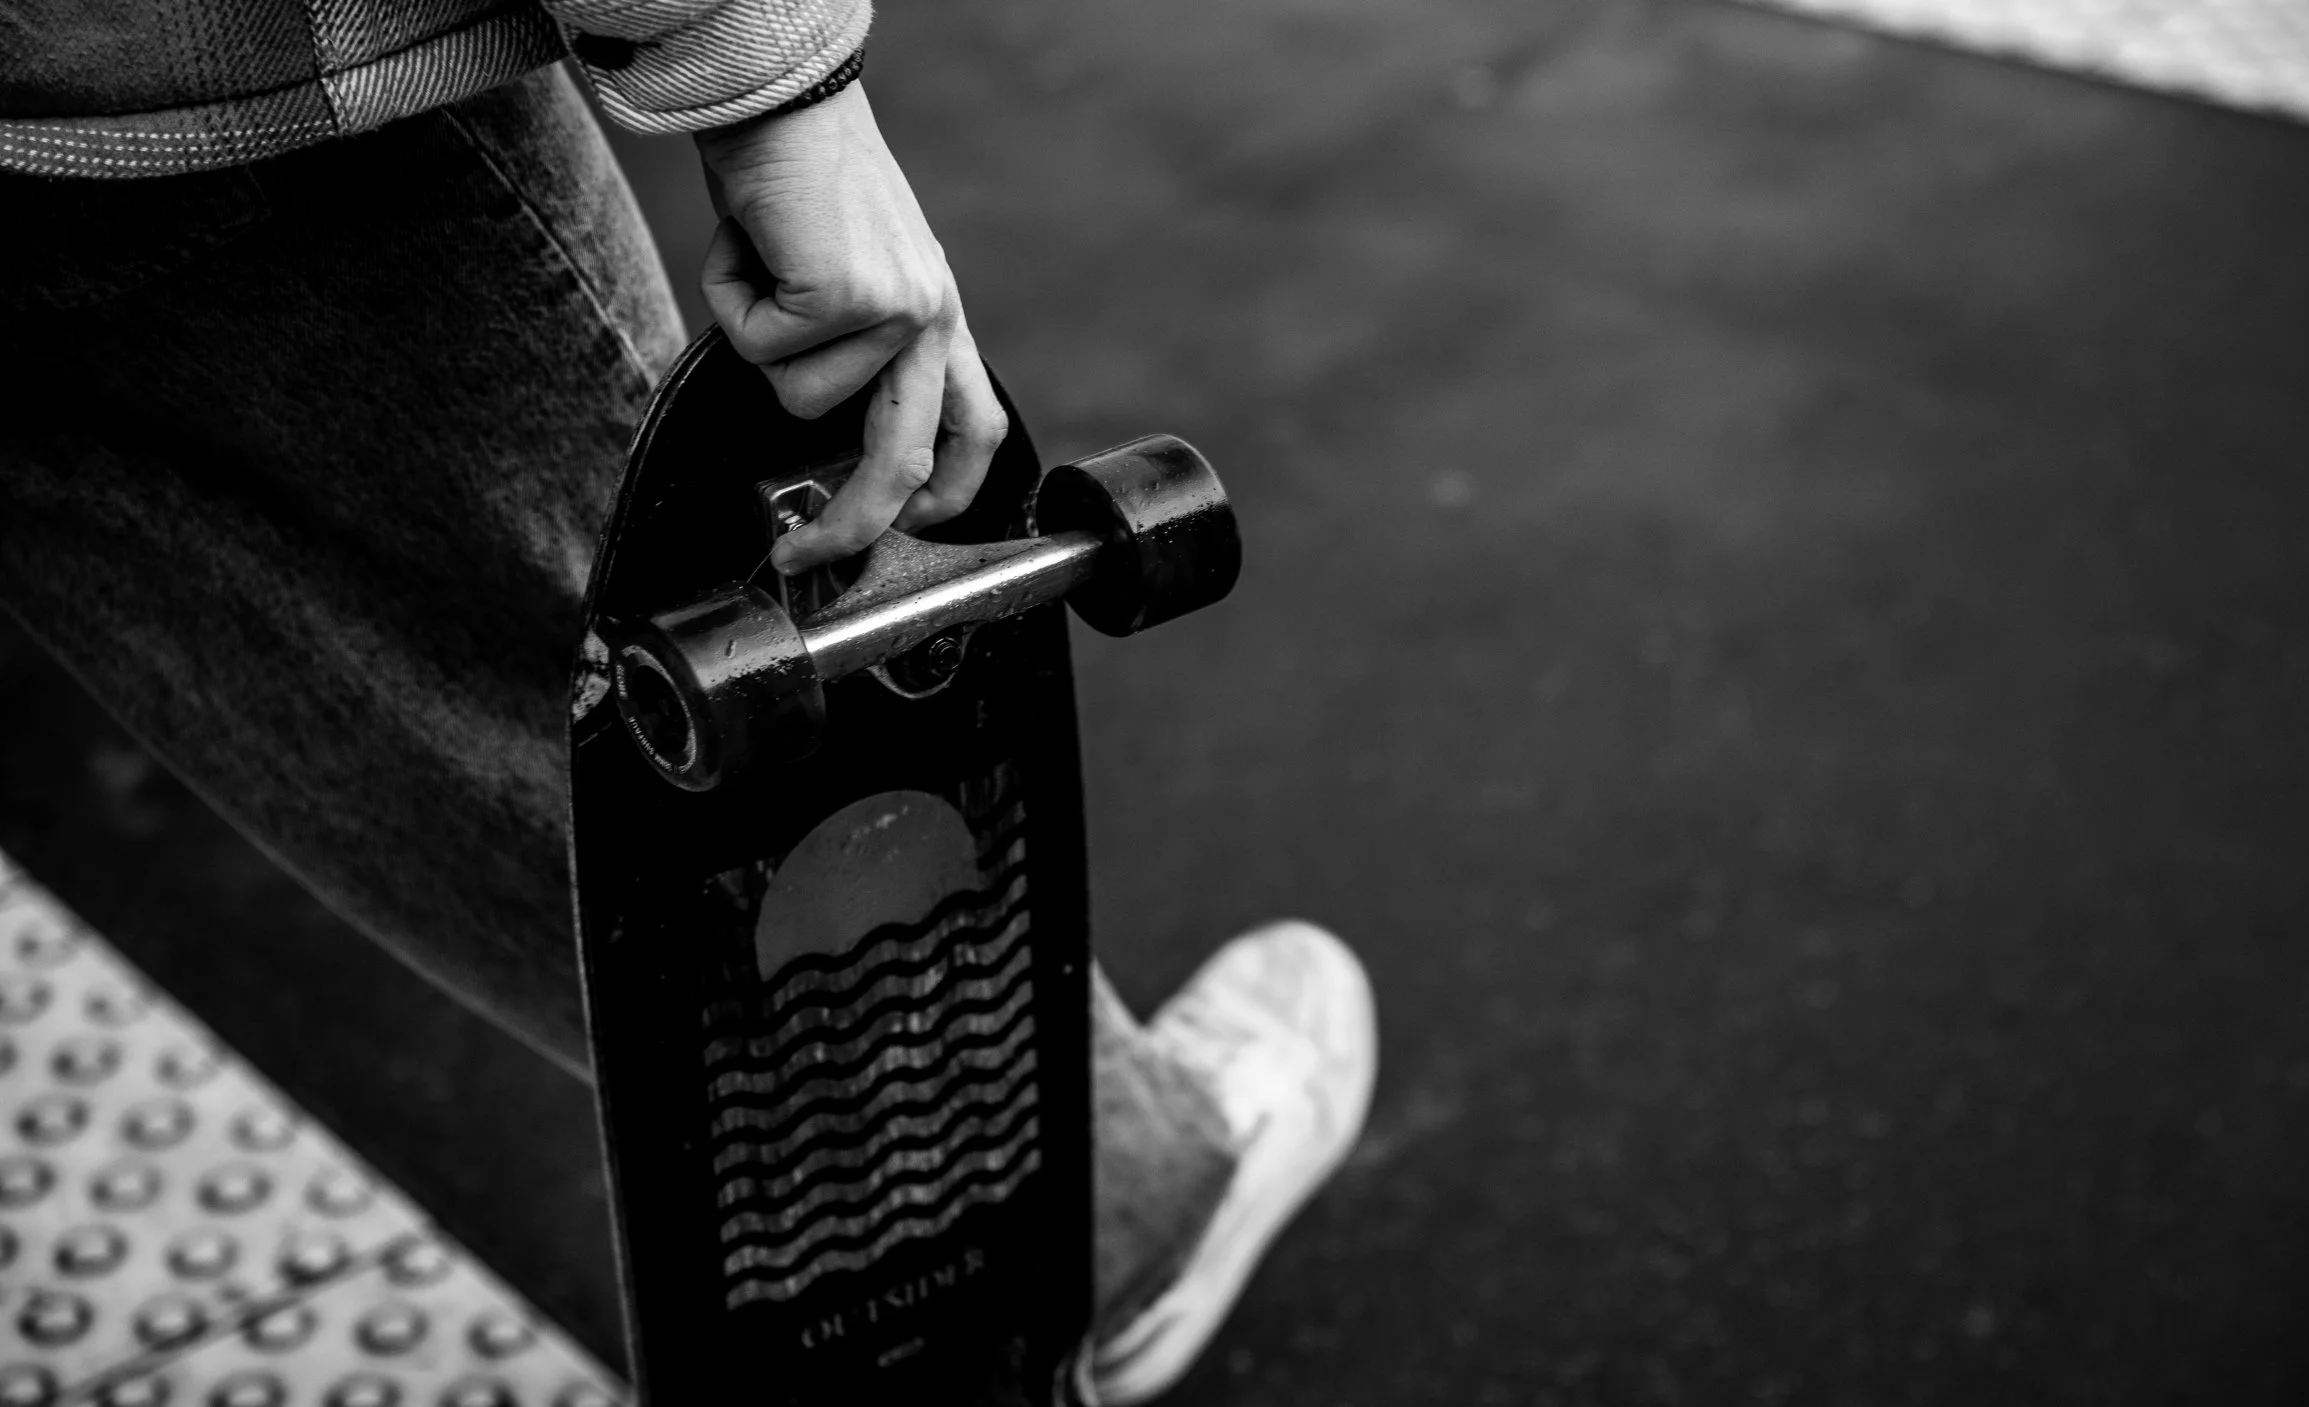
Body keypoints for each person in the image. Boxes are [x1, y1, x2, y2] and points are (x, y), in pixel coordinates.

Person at [0, 1, 1377, 1399]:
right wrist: (775, 87)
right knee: (579, 670)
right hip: (168, 76)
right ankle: (1124, 1212)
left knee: (317, 640)